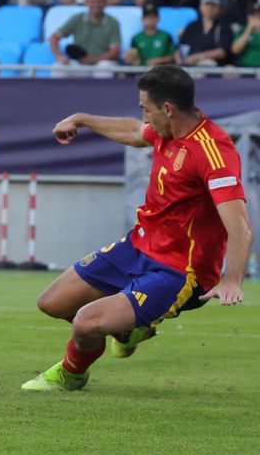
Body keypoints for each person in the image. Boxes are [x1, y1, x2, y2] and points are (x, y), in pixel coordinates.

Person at [23, 66, 249, 392]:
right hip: (138, 246)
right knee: (52, 303)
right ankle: (129, 331)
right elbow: (132, 132)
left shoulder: (213, 151)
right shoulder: (166, 130)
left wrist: (233, 280)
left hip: (179, 270)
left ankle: (72, 374)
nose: (143, 116)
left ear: (167, 109)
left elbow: (239, 225)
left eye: (146, 108)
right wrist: (81, 118)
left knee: (86, 322)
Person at [48, 0, 121, 69]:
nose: (96, 5)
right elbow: (54, 37)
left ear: (105, 3)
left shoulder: (113, 22)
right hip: (79, 63)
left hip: (101, 63)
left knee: (105, 67)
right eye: (92, 1)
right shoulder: (77, 18)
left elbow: (115, 51)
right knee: (58, 67)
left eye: (99, 1)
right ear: (86, 3)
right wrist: (59, 56)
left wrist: (93, 60)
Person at [178, 0, 234, 67]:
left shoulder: (223, 27)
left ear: (219, 9)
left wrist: (197, 57)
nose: (210, 8)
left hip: (212, 68)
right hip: (189, 66)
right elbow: (181, 47)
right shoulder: (192, 26)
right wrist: (180, 60)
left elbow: (222, 52)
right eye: (207, 4)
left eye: (213, 5)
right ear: (200, 6)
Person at [124, 2, 179, 67]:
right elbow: (133, 56)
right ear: (142, 19)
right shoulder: (136, 38)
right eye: (147, 17)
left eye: (152, 17)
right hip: (141, 72)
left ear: (158, 19)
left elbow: (174, 57)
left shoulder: (166, 36)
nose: (150, 20)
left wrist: (158, 60)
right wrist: (130, 59)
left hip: (162, 71)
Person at [229, 0, 260, 68]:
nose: (257, 18)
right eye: (254, 15)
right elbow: (235, 50)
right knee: (229, 70)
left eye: (259, 15)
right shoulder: (242, 30)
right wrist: (248, 30)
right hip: (244, 67)